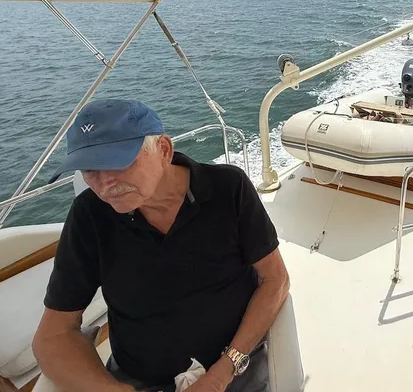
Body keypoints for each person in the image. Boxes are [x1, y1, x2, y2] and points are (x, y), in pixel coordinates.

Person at [33, 99, 289, 392]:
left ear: (164, 151)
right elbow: (52, 336)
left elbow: (275, 279)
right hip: (137, 381)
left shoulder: (228, 188)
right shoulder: (89, 215)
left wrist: (220, 375)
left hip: (234, 368)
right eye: (89, 170)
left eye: (117, 162)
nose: (104, 185)